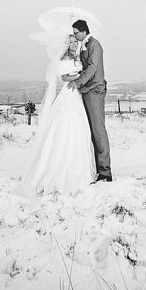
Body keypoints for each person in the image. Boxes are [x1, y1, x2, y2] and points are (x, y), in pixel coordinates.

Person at [22, 35, 96, 193]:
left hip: (77, 94)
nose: (74, 44)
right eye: (71, 42)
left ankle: (78, 168)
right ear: (66, 44)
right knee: (66, 127)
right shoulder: (64, 59)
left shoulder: (76, 57)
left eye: (75, 42)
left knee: (79, 128)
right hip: (68, 93)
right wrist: (80, 75)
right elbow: (64, 77)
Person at [66, 19, 112, 183]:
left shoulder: (94, 45)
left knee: (98, 131)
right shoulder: (84, 45)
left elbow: (92, 68)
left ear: (83, 31)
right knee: (90, 131)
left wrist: (77, 82)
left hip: (95, 91)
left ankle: (105, 172)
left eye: (76, 32)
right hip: (86, 91)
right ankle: (96, 168)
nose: (75, 35)